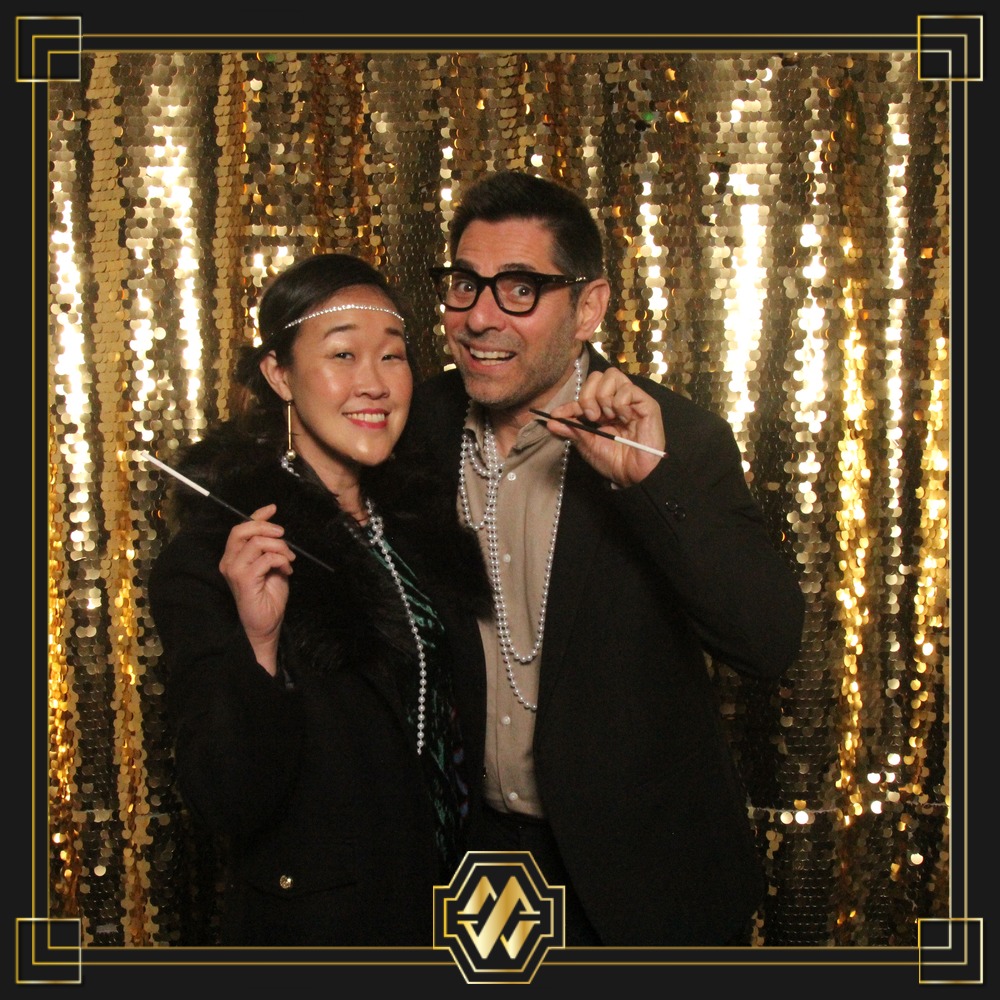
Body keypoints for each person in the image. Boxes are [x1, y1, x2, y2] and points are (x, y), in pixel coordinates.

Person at [399, 170, 806, 947]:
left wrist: (647, 485)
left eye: (520, 289)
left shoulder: (677, 439)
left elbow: (768, 640)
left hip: (642, 876)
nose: (479, 317)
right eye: (464, 284)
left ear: (588, 308)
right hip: (478, 863)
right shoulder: (416, 427)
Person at [147, 252, 490, 946]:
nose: (374, 384)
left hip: (460, 918)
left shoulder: (423, 527)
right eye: (342, 355)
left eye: (392, 357)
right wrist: (260, 644)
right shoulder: (217, 557)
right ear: (279, 375)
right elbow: (226, 798)